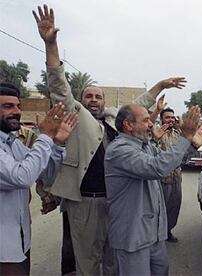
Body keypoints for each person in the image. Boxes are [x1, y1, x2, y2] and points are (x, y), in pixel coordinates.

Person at [33, 5, 187, 275]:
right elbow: (59, 86)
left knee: (116, 262)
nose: (93, 100)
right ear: (80, 101)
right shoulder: (77, 117)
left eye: (98, 96)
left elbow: (140, 105)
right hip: (88, 202)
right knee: (88, 263)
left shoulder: (114, 117)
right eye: (88, 96)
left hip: (118, 204)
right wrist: (51, 44)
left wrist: (161, 85)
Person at [104, 105, 202, 275]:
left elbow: (169, 159)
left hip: (153, 234)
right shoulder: (119, 150)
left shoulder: (146, 146)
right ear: (128, 125)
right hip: (133, 236)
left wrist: (192, 144)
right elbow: (158, 167)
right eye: (146, 120)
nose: (151, 125)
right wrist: (185, 137)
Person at [0, 83, 77, 275]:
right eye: (7, 106)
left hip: (19, 240)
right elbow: (23, 177)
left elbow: (44, 174)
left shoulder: (12, 144)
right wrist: (46, 137)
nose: (16, 112)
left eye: (18, 106)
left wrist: (57, 144)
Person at [151, 101, 183, 242]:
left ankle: (168, 231)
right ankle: (157, 234)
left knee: (174, 207)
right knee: (159, 209)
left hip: (176, 178)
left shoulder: (178, 133)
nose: (170, 120)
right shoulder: (157, 133)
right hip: (162, 179)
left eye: (172, 117)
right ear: (162, 119)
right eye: (167, 117)